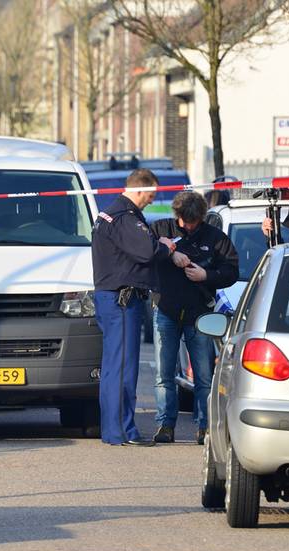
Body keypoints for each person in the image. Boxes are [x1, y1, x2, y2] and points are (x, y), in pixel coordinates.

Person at [91, 169, 177, 447]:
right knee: (122, 369)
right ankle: (123, 430)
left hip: (112, 298)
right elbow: (147, 252)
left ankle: (116, 430)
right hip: (123, 300)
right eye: (150, 196)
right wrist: (167, 247)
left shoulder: (110, 213)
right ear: (140, 190)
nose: (151, 201)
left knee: (114, 367)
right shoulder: (125, 218)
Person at [149, 191, 239, 445]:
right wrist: (168, 252)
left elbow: (232, 270)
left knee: (203, 375)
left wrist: (206, 276)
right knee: (163, 374)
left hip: (200, 314)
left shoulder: (215, 237)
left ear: (202, 217)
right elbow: (143, 252)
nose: (188, 226)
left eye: (194, 222)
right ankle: (165, 425)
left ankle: (205, 427)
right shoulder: (159, 229)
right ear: (176, 216)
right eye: (184, 221)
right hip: (165, 309)